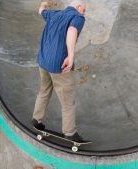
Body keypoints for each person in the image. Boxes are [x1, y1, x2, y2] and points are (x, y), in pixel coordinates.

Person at [32, 0, 86, 142]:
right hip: (59, 66)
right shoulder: (77, 17)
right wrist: (71, 55)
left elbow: (40, 11)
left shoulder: (53, 13)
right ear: (78, 7)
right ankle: (70, 132)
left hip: (43, 62)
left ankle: (37, 119)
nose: (84, 13)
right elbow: (72, 31)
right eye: (84, 10)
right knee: (68, 101)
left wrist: (44, 4)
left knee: (44, 91)